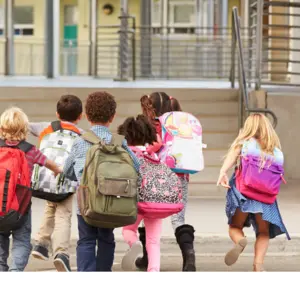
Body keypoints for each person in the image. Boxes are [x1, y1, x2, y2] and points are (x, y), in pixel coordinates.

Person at [63, 91, 140, 272]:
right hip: (112, 202)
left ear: (87, 116)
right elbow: (136, 168)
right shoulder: (119, 142)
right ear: (112, 117)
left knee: (86, 240)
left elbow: (67, 171)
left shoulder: (80, 142)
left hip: (87, 205)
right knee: (106, 239)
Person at [217, 113, 290, 272]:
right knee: (263, 232)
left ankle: (240, 241)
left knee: (235, 226)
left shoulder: (245, 143)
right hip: (266, 198)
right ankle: (258, 266)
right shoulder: (275, 151)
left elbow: (231, 157)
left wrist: (223, 172)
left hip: (244, 194)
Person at [138, 92, 196, 272]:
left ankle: (148, 257)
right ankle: (189, 255)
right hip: (180, 175)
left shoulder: (151, 126)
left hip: (155, 176)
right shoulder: (181, 127)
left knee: (149, 215)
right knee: (178, 218)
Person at [0, 107, 61, 272]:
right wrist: (58, 171)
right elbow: (50, 164)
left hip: (0, 206)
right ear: (25, 130)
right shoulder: (30, 151)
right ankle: (15, 271)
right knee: (21, 240)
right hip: (20, 208)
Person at [30, 95, 83, 272]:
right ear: (80, 116)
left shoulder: (46, 127)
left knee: (50, 206)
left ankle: (41, 243)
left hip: (44, 180)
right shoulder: (81, 135)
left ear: (57, 114)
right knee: (63, 215)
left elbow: (24, 126)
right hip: (65, 183)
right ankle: (61, 253)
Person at [118, 115, 165, 272]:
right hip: (155, 200)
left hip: (134, 201)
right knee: (153, 240)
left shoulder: (126, 153)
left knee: (128, 230)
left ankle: (134, 243)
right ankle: (154, 270)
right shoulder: (153, 154)